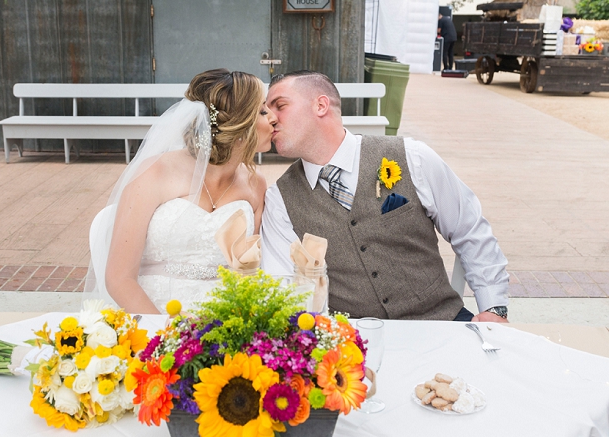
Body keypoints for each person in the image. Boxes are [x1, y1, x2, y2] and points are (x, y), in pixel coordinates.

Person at [261, 70, 509, 323]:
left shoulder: (412, 156)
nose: (270, 118)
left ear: (321, 105)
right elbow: (283, 286)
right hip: (349, 341)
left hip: (441, 321)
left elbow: (470, 230)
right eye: (265, 111)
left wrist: (494, 307)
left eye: (279, 105)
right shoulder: (280, 198)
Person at [84, 68, 277, 314]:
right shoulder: (154, 172)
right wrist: (169, 336)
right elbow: (119, 278)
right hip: (156, 321)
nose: (273, 118)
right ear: (238, 123)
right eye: (262, 111)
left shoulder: (256, 184)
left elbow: (249, 273)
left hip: (224, 325)